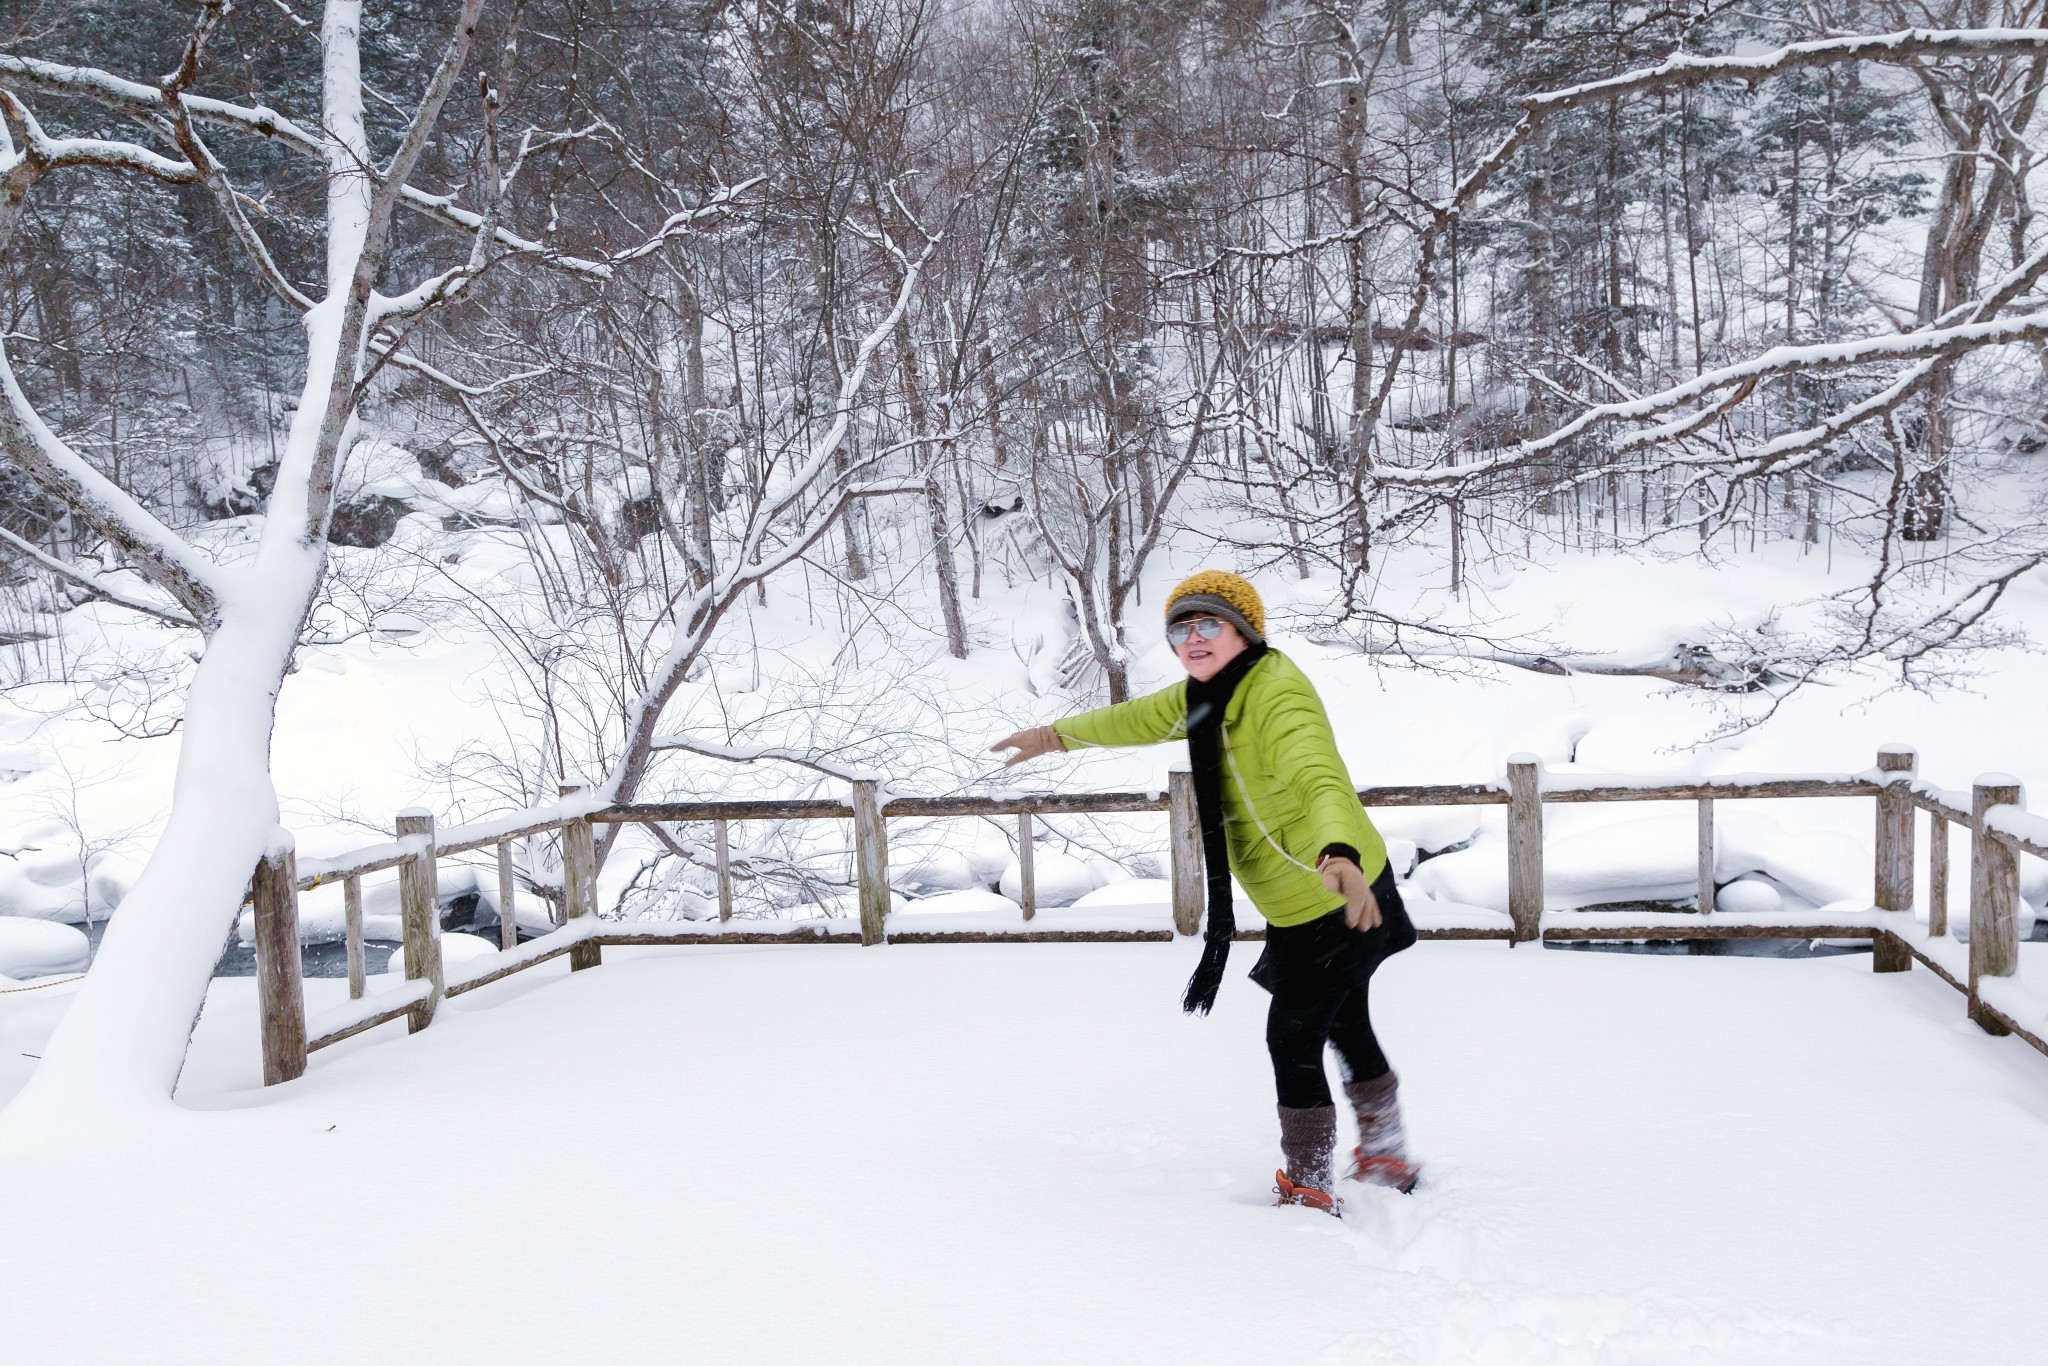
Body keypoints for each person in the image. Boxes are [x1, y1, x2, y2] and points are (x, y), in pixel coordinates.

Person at [992, 570, 1421, 1212]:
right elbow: (1140, 716)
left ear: (1244, 631)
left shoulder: (1277, 695)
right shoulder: (1210, 692)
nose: (1192, 638)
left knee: (1294, 1036)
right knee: (1344, 1020)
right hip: (1303, 899)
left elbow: (1317, 774)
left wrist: (1339, 853)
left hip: (1339, 888)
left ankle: (1309, 1180)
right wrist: (1056, 735)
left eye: (1208, 624)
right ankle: (1386, 1152)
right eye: (1180, 628)